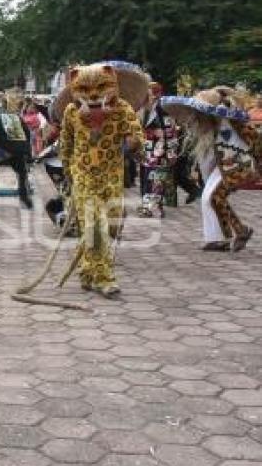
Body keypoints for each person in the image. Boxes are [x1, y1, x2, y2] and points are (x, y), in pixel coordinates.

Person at [58, 62, 145, 298]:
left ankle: (87, 270)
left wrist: (132, 142)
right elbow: (65, 145)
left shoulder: (122, 109)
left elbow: (137, 137)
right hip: (84, 177)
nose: (94, 94)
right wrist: (68, 174)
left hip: (112, 177)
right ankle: (104, 278)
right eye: (84, 89)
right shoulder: (71, 112)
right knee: (96, 228)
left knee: (113, 226)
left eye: (101, 87)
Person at [163, 87, 261, 252]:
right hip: (224, 168)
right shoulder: (211, 126)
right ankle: (218, 238)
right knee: (207, 198)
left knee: (215, 197)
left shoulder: (234, 121)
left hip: (241, 166)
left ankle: (236, 232)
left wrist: (258, 163)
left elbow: (256, 140)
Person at [138, 82, 180, 217]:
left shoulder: (163, 108)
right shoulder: (145, 110)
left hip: (160, 151)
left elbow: (170, 131)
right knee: (147, 179)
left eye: (150, 94)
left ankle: (154, 208)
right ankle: (148, 206)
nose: (148, 98)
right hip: (148, 151)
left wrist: (172, 152)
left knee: (157, 179)